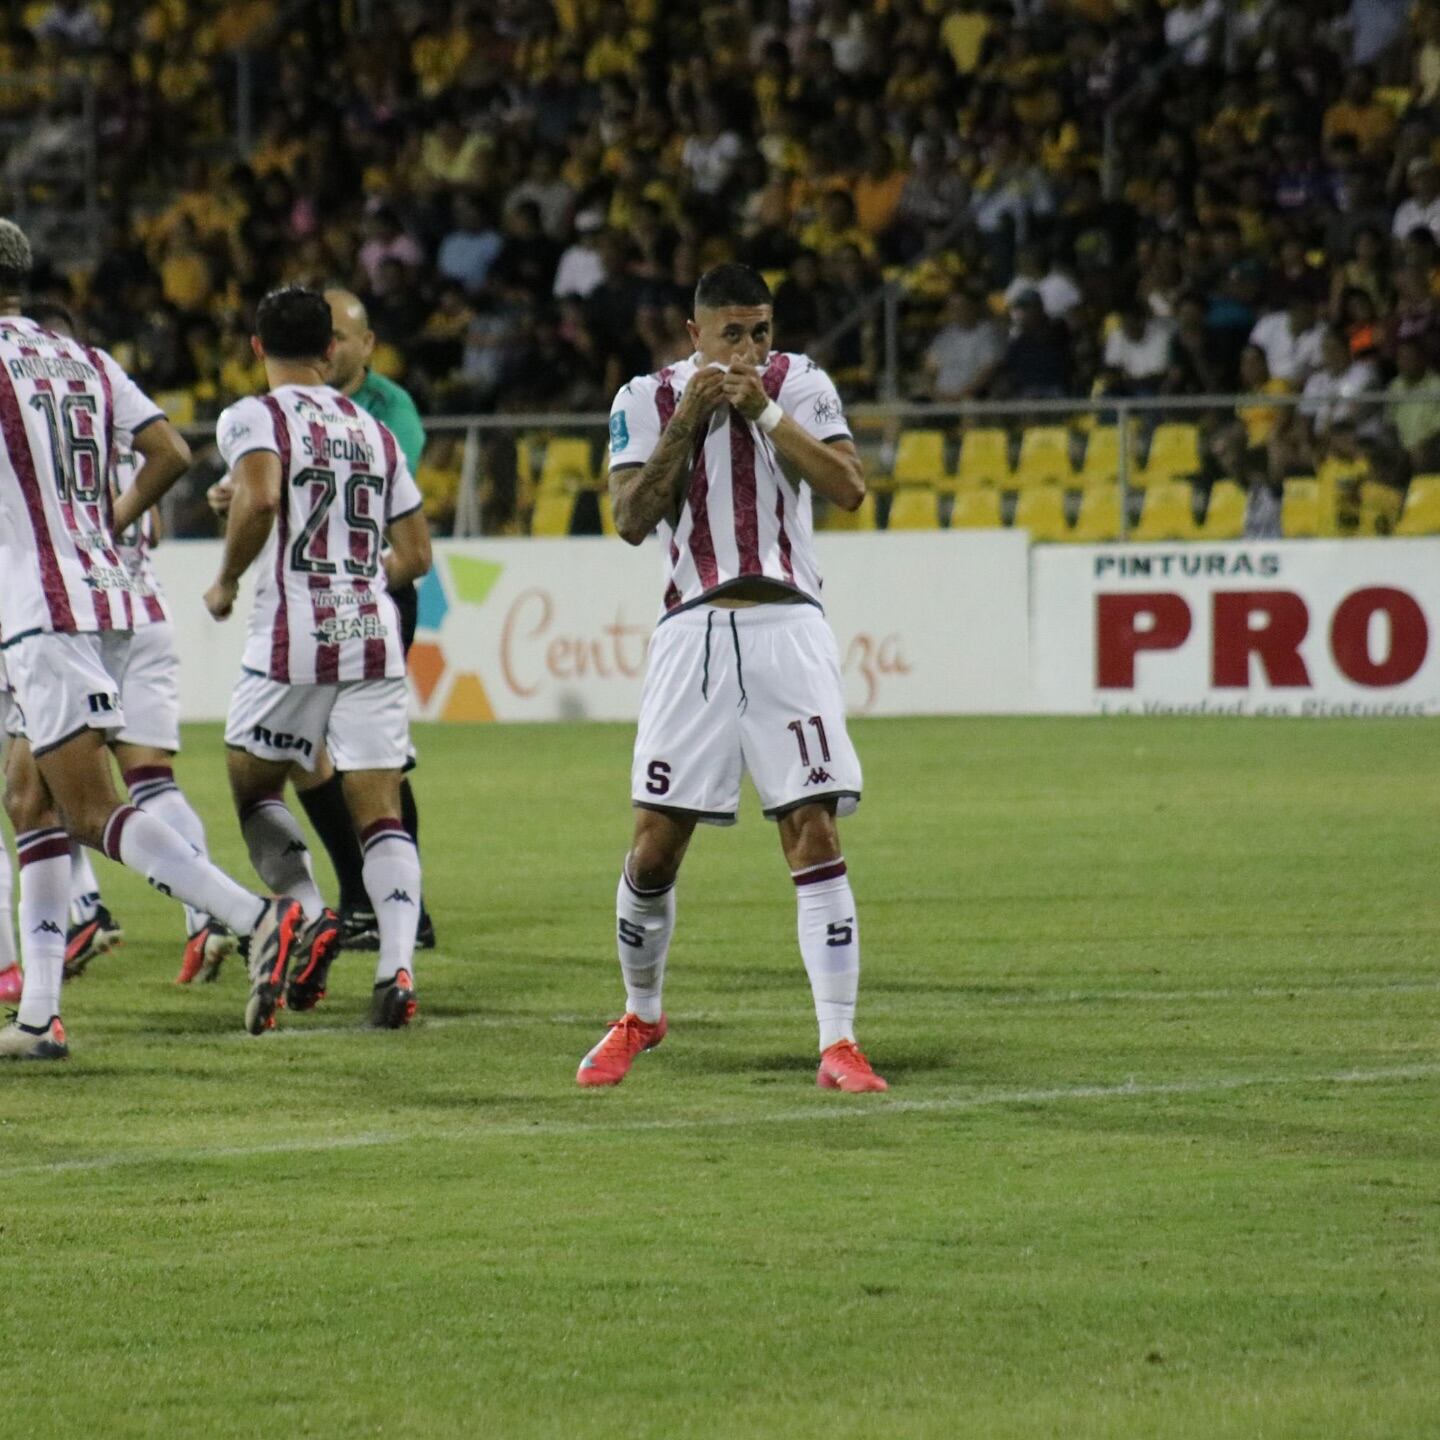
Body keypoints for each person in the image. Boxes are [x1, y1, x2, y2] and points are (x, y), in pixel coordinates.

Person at [0, 220, 321, 1060]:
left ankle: (257, 920)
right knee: (29, 799)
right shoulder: (86, 359)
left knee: (88, 805)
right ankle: (38, 1016)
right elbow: (171, 451)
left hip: (41, 607)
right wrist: (100, 531)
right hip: (99, 597)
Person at [582, 262, 886, 1094]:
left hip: (790, 625)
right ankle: (641, 1012)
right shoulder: (643, 398)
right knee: (654, 847)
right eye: (733, 335)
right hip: (696, 633)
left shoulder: (801, 383)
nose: (751, 349)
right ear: (695, 335)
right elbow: (631, 519)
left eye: (761, 331)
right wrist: (688, 420)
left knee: (813, 830)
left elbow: (850, 487)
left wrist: (764, 409)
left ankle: (839, 1043)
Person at [207, 285, 432, 1033]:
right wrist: (359, 581)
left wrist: (227, 576)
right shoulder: (375, 430)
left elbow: (265, 497)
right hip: (373, 632)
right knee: (382, 812)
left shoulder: (252, 415)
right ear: (332, 351)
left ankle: (302, 914)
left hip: (293, 635)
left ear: (256, 348)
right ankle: (396, 968)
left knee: (252, 784)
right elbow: (417, 553)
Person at [22, 299, 238, 985]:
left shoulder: (30, 440)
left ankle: (88, 910)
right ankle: (206, 917)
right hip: (136, 603)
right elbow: (161, 500)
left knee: (45, 785)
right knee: (148, 782)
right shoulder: (104, 406)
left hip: (63, 607)